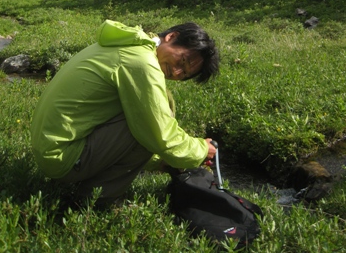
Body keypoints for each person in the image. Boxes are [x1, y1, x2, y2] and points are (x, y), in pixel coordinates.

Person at [30, 19, 219, 205]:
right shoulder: (141, 62)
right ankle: (94, 199)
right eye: (182, 61)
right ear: (171, 37)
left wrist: (159, 162)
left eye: (184, 74)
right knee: (149, 123)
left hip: (52, 147)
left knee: (159, 104)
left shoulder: (130, 45)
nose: (176, 73)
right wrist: (201, 150)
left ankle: (89, 185)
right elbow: (160, 134)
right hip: (63, 156)